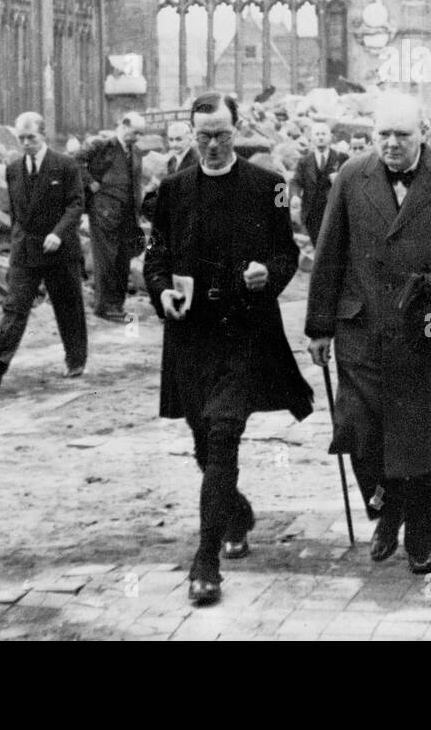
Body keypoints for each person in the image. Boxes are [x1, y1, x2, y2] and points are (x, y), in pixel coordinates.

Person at [306, 91, 431, 575]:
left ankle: (422, 539)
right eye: (383, 135)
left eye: (403, 135)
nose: (392, 144)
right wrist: (319, 327)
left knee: (427, 441)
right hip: (365, 328)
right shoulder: (353, 176)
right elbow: (330, 251)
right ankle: (385, 505)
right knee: (361, 434)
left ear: (425, 133)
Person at [144, 91, 312, 608]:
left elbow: (288, 252)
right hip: (192, 336)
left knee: (223, 434)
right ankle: (235, 513)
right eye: (203, 136)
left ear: (236, 132)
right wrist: (162, 292)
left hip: (244, 331)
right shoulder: (170, 191)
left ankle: (205, 563)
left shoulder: (270, 187)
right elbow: (155, 257)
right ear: (191, 136)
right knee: (202, 439)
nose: (213, 146)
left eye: (221, 135)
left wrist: (270, 274)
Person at [0, 112, 88, 387]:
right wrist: (16, 242)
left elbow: (76, 205)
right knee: (15, 307)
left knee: (67, 307)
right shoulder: (13, 169)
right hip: (26, 251)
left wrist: (59, 234)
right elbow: (16, 213)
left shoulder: (65, 166)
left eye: (31, 138)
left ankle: (75, 360)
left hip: (59, 251)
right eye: (21, 138)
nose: (26, 143)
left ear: (43, 136)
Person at [78, 111, 146, 321]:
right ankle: (104, 307)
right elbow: (76, 163)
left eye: (139, 134)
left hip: (127, 215)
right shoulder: (102, 145)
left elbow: (136, 183)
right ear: (123, 125)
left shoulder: (135, 152)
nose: (136, 138)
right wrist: (90, 182)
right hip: (104, 212)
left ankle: (117, 304)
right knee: (106, 259)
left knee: (122, 260)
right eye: (134, 133)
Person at [291, 121, 344, 244]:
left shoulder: (341, 157)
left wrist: (338, 180)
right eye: (317, 134)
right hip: (311, 211)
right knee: (316, 243)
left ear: (330, 137)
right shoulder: (304, 161)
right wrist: (295, 196)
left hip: (333, 210)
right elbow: (296, 181)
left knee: (332, 243)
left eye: (324, 134)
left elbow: (349, 182)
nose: (320, 137)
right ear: (312, 138)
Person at [143, 121, 199, 223]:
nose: (174, 144)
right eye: (171, 140)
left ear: (190, 139)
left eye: (179, 139)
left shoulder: (196, 161)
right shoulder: (172, 161)